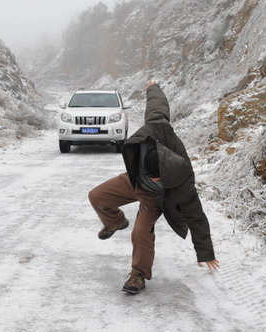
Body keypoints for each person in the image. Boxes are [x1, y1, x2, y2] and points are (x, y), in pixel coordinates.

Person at [88, 81, 220, 294]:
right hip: (134, 181)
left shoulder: (181, 181)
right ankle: (115, 223)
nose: (155, 180)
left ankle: (138, 275)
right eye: (153, 177)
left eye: (160, 179)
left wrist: (206, 252)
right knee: (97, 196)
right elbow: (158, 105)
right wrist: (153, 87)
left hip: (155, 199)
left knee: (141, 231)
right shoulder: (154, 128)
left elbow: (196, 216)